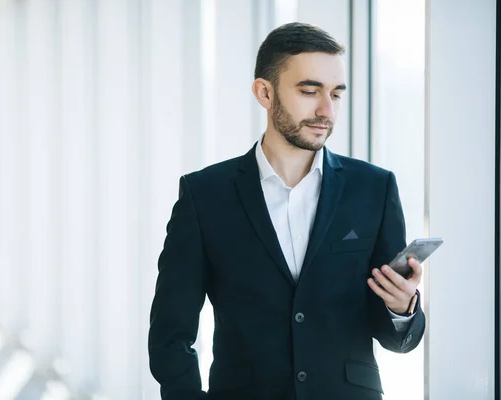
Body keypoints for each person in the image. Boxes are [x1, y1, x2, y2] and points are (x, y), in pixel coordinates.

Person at [148, 22, 425, 400]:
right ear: (265, 92)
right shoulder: (204, 195)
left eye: (336, 94)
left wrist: (402, 308)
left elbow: (397, 340)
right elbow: (170, 333)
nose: (326, 110)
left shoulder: (374, 189)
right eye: (309, 91)